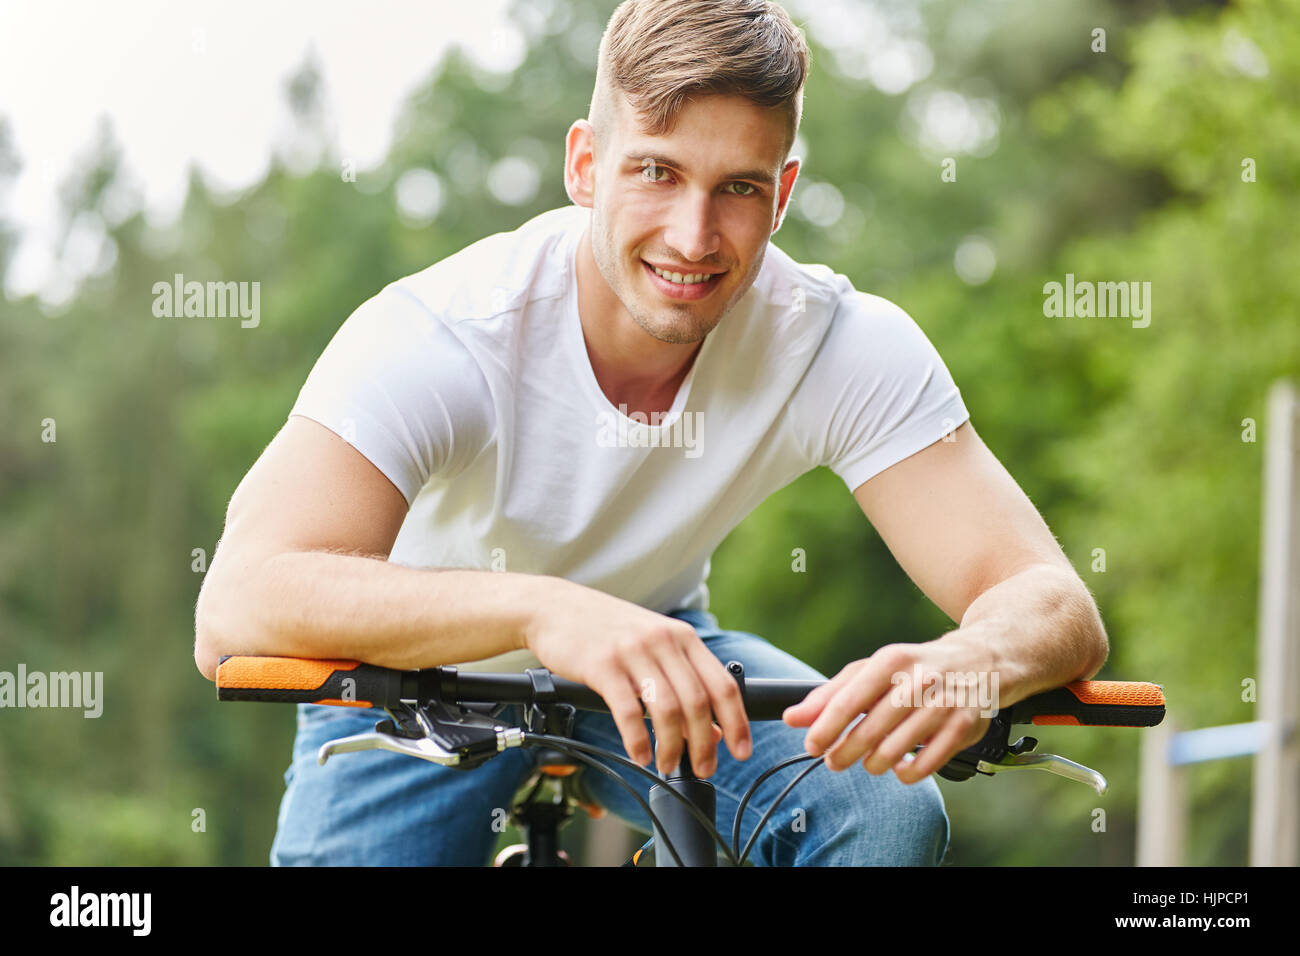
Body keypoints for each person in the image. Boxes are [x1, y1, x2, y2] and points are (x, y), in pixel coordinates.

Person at [194, 0, 1109, 866]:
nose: (694, 234)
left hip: (665, 649)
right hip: (406, 676)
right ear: (586, 165)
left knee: (884, 810)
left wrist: (970, 660)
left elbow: (1053, 602)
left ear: (783, 193)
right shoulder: (442, 334)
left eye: (739, 188)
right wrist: (544, 610)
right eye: (657, 171)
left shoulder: (836, 341)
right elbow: (234, 609)